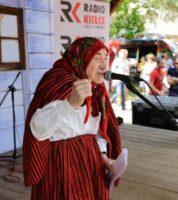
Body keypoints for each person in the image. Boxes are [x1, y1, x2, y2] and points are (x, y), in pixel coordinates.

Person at [22, 37, 122, 200]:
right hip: (62, 163)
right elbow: (37, 130)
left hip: (90, 162)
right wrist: (70, 104)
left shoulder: (97, 88)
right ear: (80, 59)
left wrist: (102, 156)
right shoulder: (57, 81)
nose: (104, 65)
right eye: (96, 58)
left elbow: (95, 132)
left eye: (106, 57)